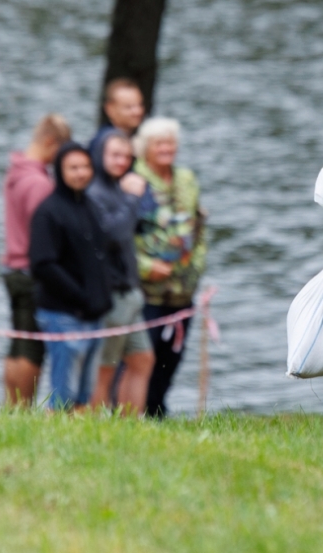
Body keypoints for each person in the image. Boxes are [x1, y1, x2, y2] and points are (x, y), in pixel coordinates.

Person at [28, 142, 113, 409]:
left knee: (84, 392)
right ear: (59, 171)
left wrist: (102, 295)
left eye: (85, 166)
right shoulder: (49, 211)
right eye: (73, 168)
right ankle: (52, 440)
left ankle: (76, 441)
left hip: (94, 314)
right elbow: (42, 264)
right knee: (64, 390)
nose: (80, 173)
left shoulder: (90, 206)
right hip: (64, 315)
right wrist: (80, 297)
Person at [134, 116, 207, 418]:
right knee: (142, 358)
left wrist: (196, 265)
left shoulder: (186, 178)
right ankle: (132, 414)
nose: (167, 149)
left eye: (171, 142)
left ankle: (157, 411)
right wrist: (146, 266)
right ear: (145, 148)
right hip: (146, 293)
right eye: (159, 143)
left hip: (181, 292)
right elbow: (120, 236)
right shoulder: (133, 181)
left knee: (172, 358)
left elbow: (199, 225)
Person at [2, 113, 71, 406]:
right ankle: (22, 406)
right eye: (61, 150)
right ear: (49, 142)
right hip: (31, 270)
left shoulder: (16, 172)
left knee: (18, 341)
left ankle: (12, 404)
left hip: (12, 266)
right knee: (32, 346)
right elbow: (45, 231)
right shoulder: (39, 183)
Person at [86, 129, 154, 413]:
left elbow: (144, 222)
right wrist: (131, 199)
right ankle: (96, 425)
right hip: (110, 295)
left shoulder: (121, 186)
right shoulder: (94, 192)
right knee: (105, 368)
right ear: (100, 155)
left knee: (142, 358)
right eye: (115, 155)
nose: (122, 161)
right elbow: (114, 233)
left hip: (130, 293)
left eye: (127, 156)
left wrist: (141, 195)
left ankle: (131, 423)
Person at [90, 78, 146, 162]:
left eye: (140, 105)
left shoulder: (136, 137)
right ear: (110, 109)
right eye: (128, 107)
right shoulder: (104, 144)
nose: (137, 111)